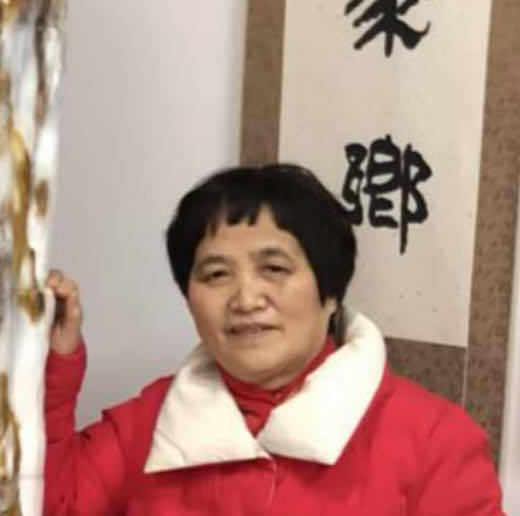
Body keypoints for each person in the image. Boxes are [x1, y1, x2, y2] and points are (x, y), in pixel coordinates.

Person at [44, 164, 506, 515]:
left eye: (274, 269)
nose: (246, 299)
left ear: (330, 292)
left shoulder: (432, 439)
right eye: (216, 274)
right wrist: (51, 365)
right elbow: (47, 503)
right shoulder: (148, 422)